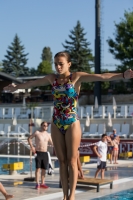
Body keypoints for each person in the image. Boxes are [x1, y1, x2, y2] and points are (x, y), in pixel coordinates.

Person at [3, 51, 133, 200]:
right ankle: (65, 196)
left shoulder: (76, 77)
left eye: (61, 64)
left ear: (68, 64)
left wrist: (123, 75)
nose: (58, 67)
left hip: (72, 122)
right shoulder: (52, 79)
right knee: (62, 161)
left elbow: (102, 77)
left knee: (72, 160)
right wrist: (16, 87)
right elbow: (32, 83)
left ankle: (72, 197)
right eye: (56, 64)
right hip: (56, 122)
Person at [28, 121, 53, 189]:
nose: (45, 127)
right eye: (44, 125)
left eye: (46, 126)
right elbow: (29, 138)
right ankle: (37, 183)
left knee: (44, 169)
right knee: (38, 169)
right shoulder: (37, 133)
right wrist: (32, 147)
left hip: (45, 153)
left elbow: (52, 143)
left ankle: (42, 183)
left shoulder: (48, 135)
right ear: (41, 126)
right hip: (38, 152)